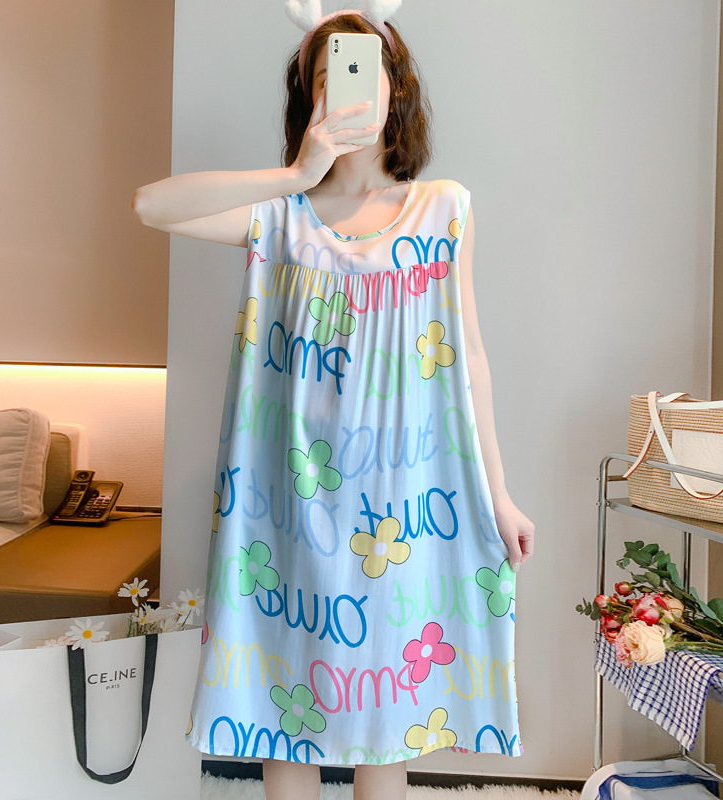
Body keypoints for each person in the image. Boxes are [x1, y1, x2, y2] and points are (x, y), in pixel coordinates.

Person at [133, 6, 535, 800]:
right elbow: (150, 205)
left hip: (403, 502)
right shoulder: (280, 217)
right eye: (327, 77)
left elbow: (471, 357)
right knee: (287, 693)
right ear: (309, 100)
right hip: (288, 495)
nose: (347, 90)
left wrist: (499, 492)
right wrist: (296, 173)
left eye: (362, 71)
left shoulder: (443, 208)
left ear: (395, 88)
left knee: (388, 707)